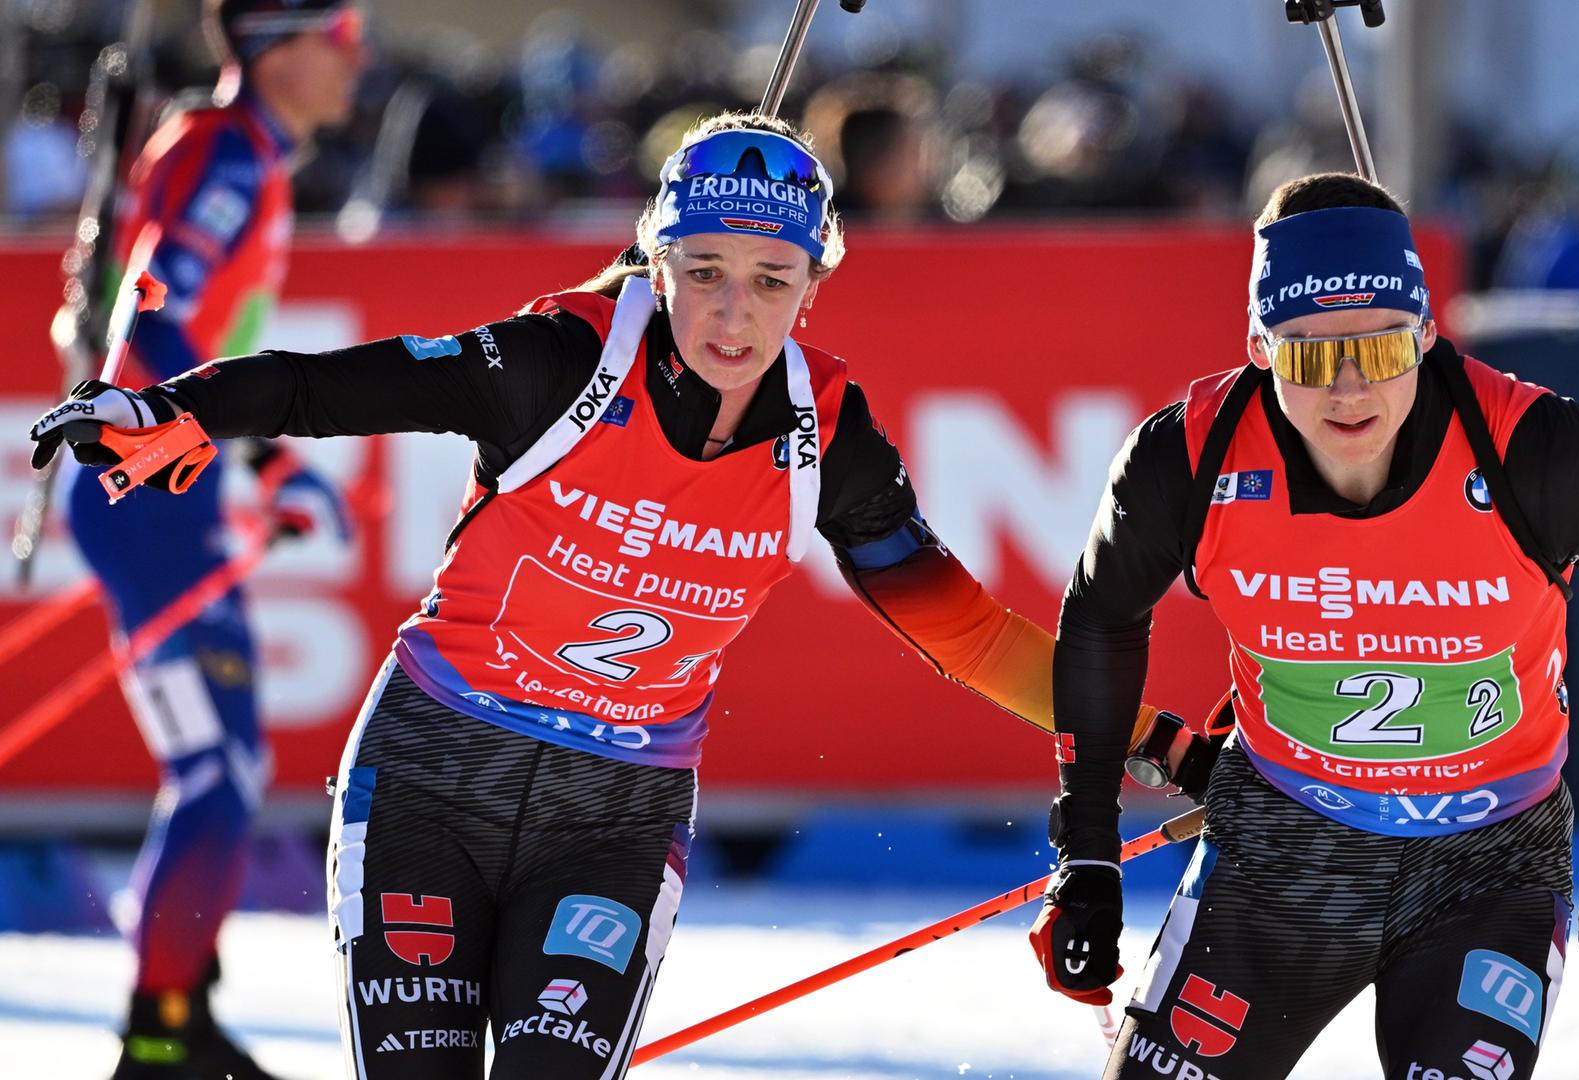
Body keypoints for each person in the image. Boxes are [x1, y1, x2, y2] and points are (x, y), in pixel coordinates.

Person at [31, 111, 1208, 1080]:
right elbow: (339, 385)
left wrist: (1152, 742)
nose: (733, 312)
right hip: (432, 776)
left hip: (615, 814)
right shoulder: (559, 363)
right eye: (703, 274)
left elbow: (966, 632)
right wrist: (173, 407)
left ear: (812, 287)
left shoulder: (827, 437)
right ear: (659, 265)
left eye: (769, 279)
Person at [1028, 172, 1579, 1080]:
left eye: (1377, 349)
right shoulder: (1187, 457)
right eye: (1306, 356)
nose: (1346, 389)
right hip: (1284, 851)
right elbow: (1098, 624)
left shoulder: (1536, 450)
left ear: (1426, 332)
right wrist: (1085, 856)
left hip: (1491, 862)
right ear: (1258, 348)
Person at [53, 3, 364, 1077]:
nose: (355, 57)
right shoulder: (226, 154)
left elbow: (176, 338)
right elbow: (155, 316)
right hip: (150, 501)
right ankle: (160, 1038)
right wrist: (255, 452)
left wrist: (258, 457)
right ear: (280, 46)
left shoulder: (240, 155)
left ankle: (179, 1012)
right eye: (340, 33)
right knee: (217, 769)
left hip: (169, 492)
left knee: (225, 767)